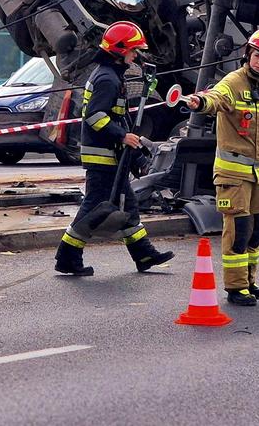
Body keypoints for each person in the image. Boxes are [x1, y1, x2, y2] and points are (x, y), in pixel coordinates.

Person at [55, 21, 175, 277]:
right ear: (120, 51)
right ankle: (67, 256)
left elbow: (114, 115)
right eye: (133, 50)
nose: (136, 55)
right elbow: (94, 116)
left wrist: (128, 138)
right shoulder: (107, 79)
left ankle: (144, 254)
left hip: (109, 153)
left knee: (128, 204)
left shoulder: (109, 73)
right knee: (93, 206)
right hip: (102, 155)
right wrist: (123, 136)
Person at [186, 26, 259, 306]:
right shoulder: (233, 81)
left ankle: (250, 281)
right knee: (238, 231)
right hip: (234, 176)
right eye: (256, 55)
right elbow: (215, 98)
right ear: (248, 53)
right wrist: (199, 101)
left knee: (257, 232)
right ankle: (235, 287)